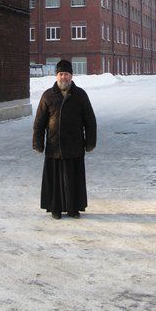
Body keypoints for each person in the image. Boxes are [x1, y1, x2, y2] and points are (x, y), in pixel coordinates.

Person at [32, 59, 97, 219]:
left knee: (74, 180)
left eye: (66, 74)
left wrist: (90, 142)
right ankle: (55, 209)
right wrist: (38, 143)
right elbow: (39, 122)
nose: (63, 77)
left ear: (71, 76)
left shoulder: (80, 95)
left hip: (74, 146)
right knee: (55, 181)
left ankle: (73, 209)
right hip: (54, 147)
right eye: (60, 74)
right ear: (56, 76)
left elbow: (90, 120)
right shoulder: (48, 95)